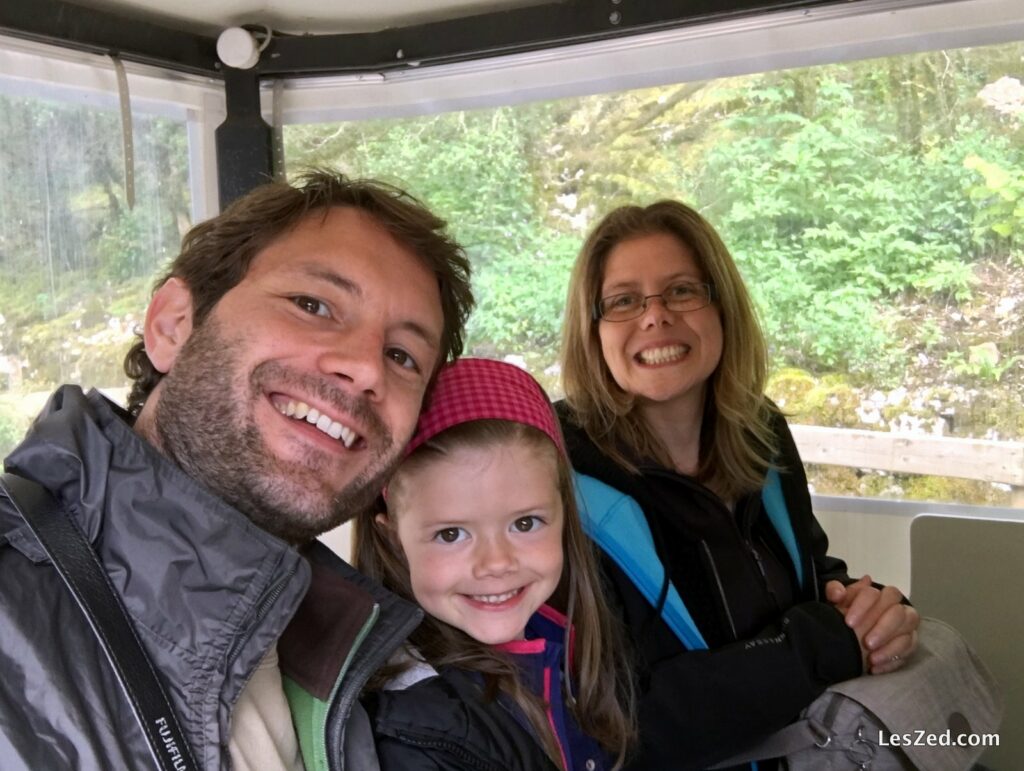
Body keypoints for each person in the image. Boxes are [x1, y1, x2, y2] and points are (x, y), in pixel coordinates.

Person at [0, 170, 474, 771]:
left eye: (403, 356)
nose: (365, 368)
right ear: (174, 324)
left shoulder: (357, 651)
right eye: (313, 305)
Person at [557, 200, 921, 770]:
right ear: (592, 329)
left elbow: (808, 576)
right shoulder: (556, 474)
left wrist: (869, 612)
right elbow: (612, 716)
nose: (655, 317)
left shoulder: (762, 433)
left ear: (722, 308)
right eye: (624, 300)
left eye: (681, 290)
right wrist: (822, 647)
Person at [353, 358, 635, 771]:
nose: (496, 563)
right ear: (393, 539)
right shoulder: (418, 732)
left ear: (563, 516)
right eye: (451, 534)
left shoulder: (558, 636)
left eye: (525, 523)